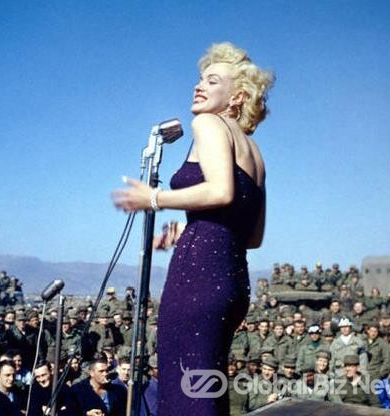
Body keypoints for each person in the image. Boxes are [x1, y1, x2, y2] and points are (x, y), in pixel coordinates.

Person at [112, 42, 273, 416]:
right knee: (204, 387)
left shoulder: (209, 123)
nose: (199, 86)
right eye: (200, 79)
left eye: (212, 81)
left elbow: (220, 191)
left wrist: (154, 198)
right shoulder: (256, 153)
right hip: (232, 283)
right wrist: (189, 232)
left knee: (186, 391)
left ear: (238, 96)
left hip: (198, 281)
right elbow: (253, 237)